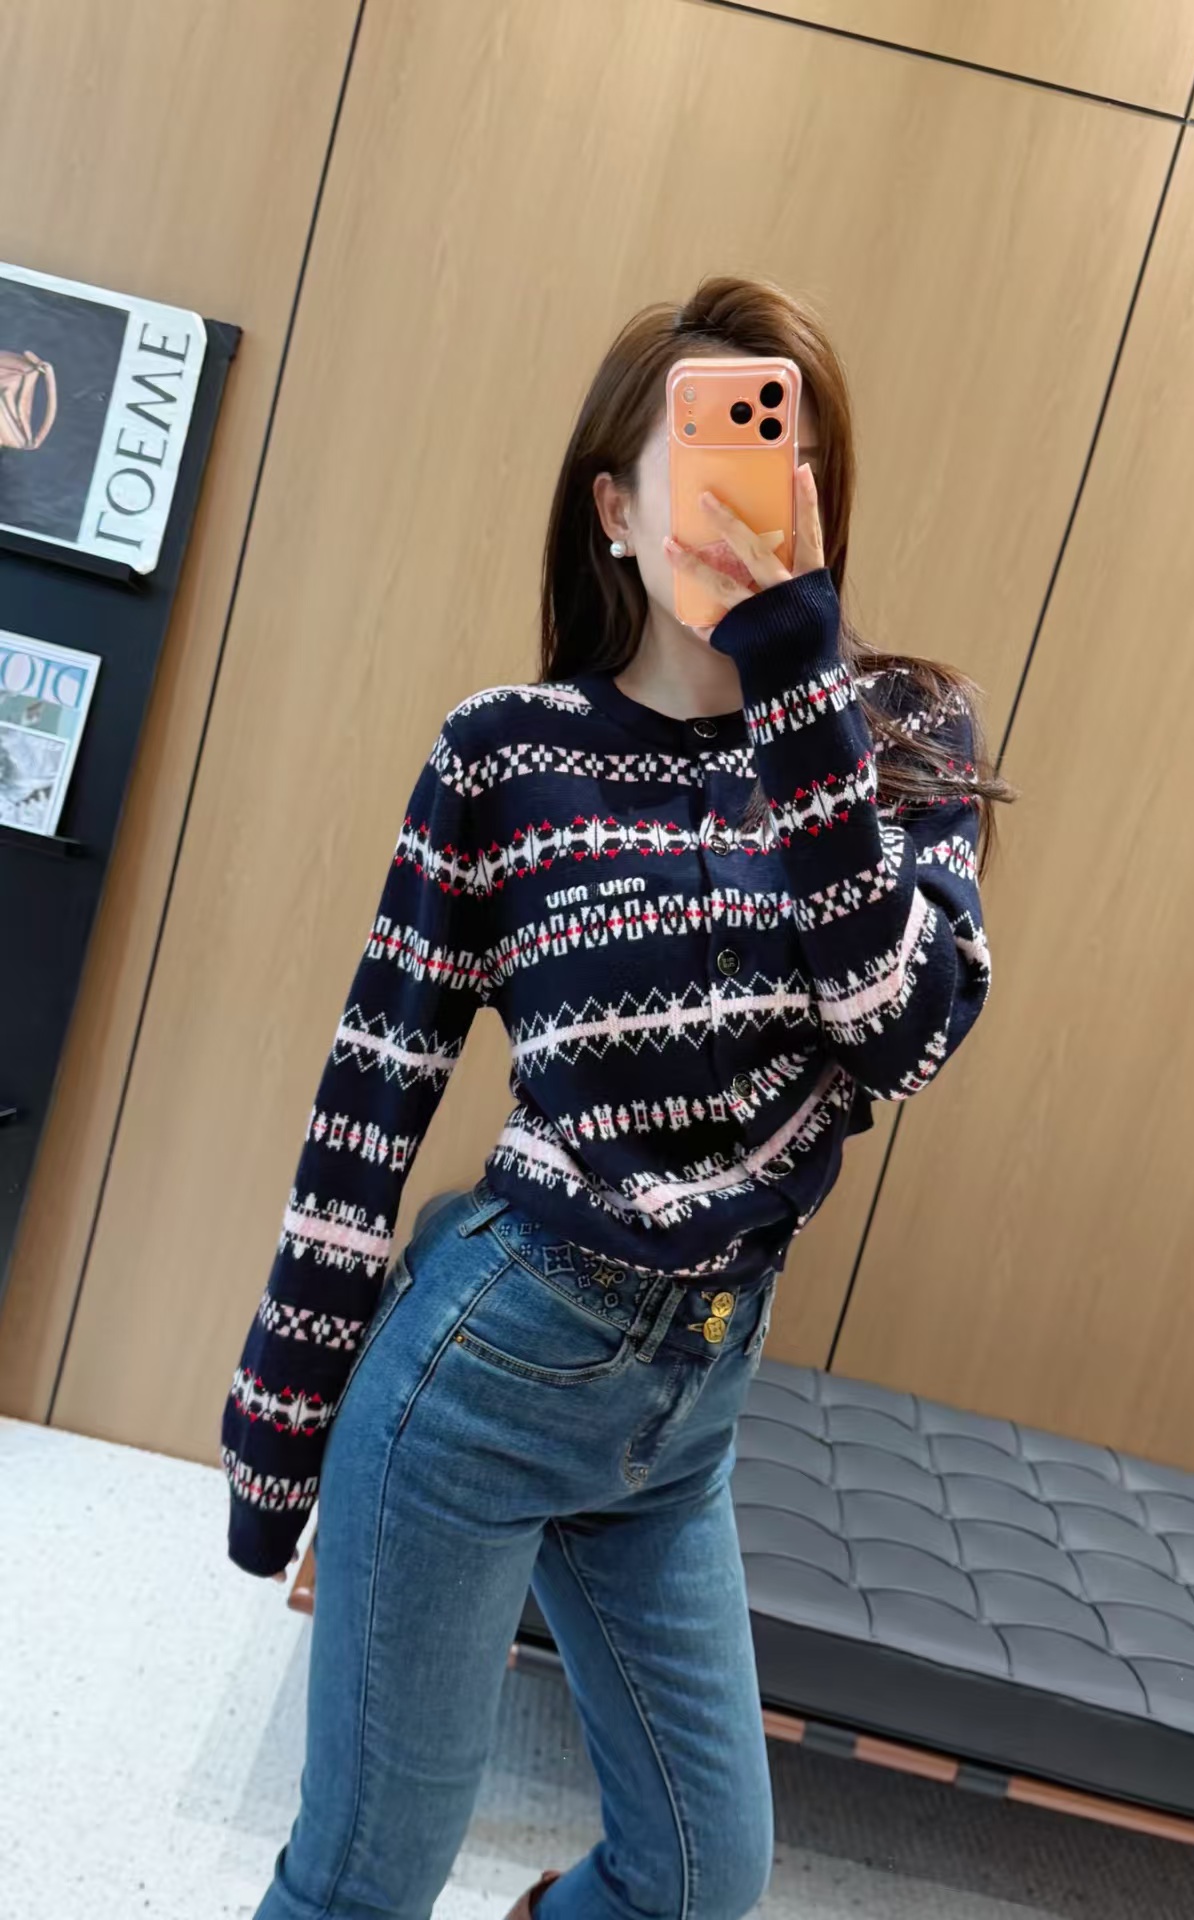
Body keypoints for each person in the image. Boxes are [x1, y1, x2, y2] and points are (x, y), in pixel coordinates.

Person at [223, 274, 1013, 1920]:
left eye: (784, 457)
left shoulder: (899, 732)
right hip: (484, 1376)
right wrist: (281, 1429)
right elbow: (372, 1095)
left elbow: (899, 1037)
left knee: (698, 1883)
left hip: (688, 1416)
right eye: (709, 453)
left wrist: (796, 685)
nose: (752, 493)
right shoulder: (507, 756)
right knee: (365, 1881)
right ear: (613, 508)